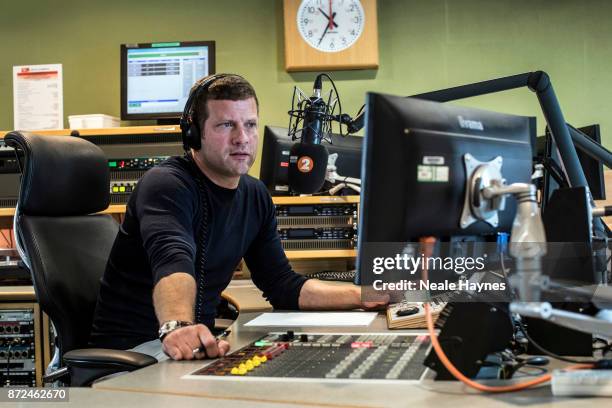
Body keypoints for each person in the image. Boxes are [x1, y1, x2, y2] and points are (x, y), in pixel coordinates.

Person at [90, 74, 383, 361]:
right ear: (194, 133)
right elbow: (173, 260)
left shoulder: (255, 196)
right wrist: (178, 326)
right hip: (135, 353)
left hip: (194, 344)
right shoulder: (166, 184)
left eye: (250, 124)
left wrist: (365, 294)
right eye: (226, 124)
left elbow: (282, 284)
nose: (242, 138)